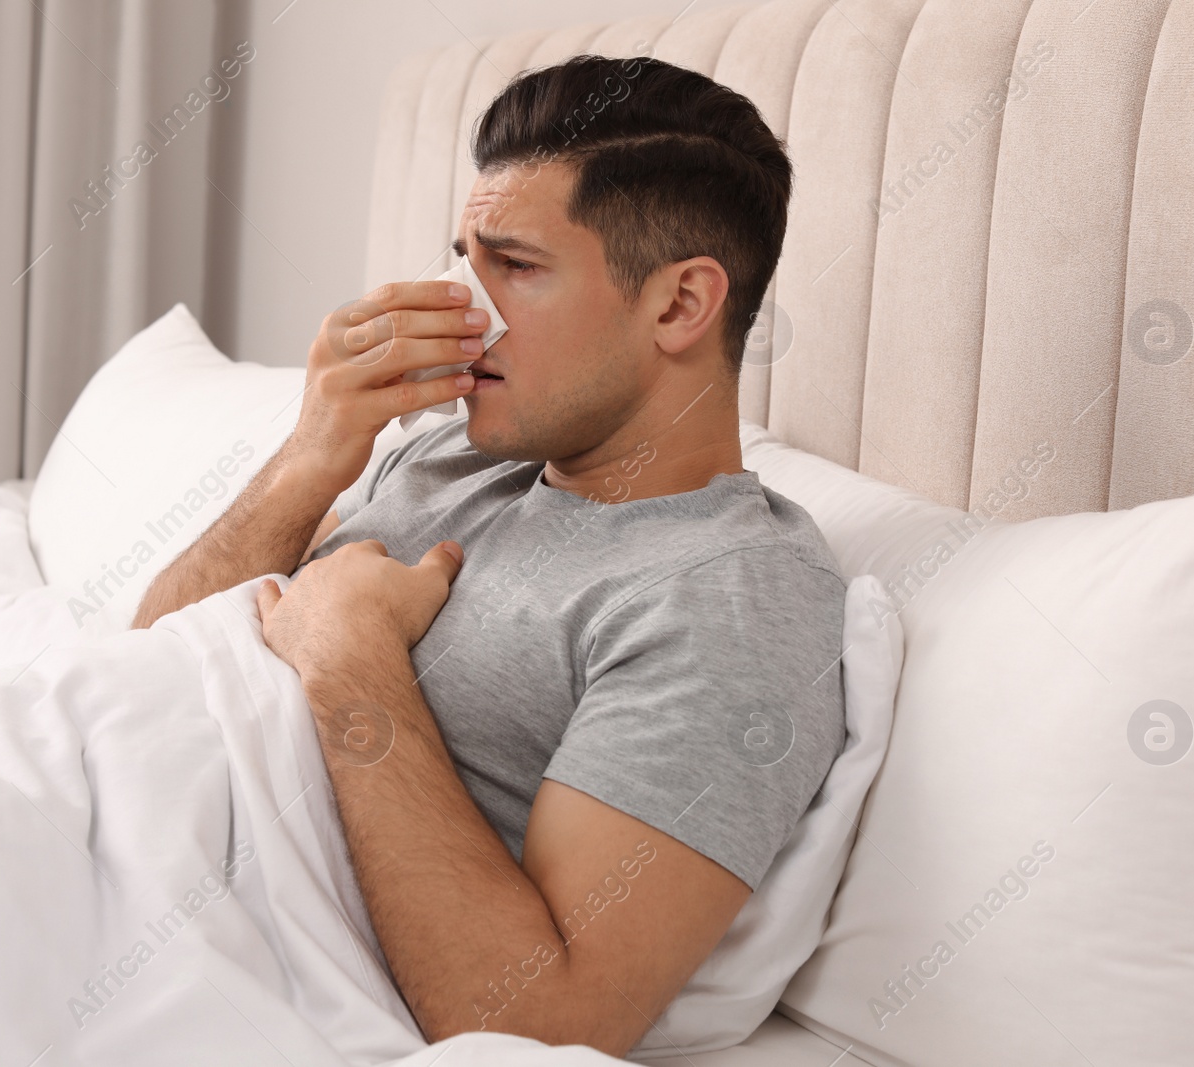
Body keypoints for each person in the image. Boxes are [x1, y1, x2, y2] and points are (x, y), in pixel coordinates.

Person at [133, 52, 847, 1057]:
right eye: (463, 259)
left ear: (680, 305)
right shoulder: (452, 451)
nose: (465, 308)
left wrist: (352, 657)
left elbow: (537, 1025)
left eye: (513, 265)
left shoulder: (722, 595)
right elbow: (150, 651)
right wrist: (311, 454)